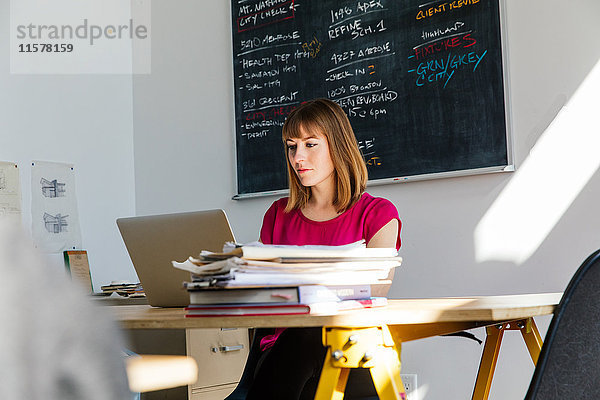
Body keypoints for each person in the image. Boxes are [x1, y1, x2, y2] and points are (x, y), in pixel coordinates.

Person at [247, 98, 401, 399]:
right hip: (285, 351)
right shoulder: (278, 214)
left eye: (310, 144)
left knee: (310, 335)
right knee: (302, 339)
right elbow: (262, 294)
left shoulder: (379, 213)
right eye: (292, 146)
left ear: (338, 147)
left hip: (355, 352)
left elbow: (376, 290)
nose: (297, 157)